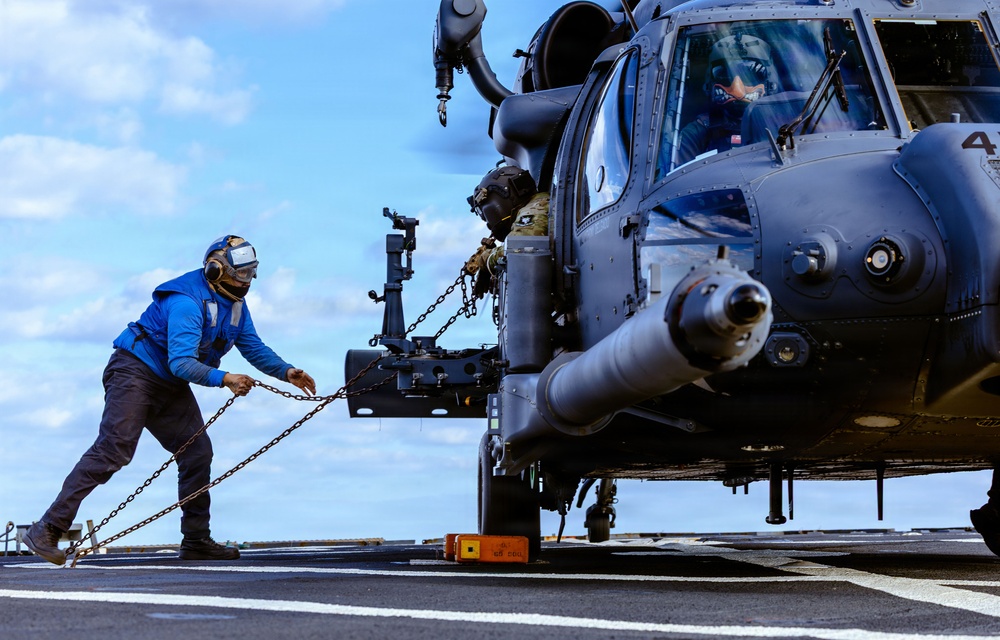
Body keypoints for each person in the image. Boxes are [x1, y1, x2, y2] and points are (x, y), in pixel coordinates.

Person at [23, 235, 317, 565]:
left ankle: (195, 541)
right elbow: (181, 362)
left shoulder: (234, 306)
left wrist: (286, 371)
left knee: (197, 452)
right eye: (240, 274)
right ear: (215, 270)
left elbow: (252, 346)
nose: (246, 281)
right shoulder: (186, 302)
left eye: (250, 273)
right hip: (135, 372)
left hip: (169, 382)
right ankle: (47, 528)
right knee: (114, 449)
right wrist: (225, 379)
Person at [676, 33, 777, 164]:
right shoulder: (697, 132)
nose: (737, 88)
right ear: (709, 83)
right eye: (723, 74)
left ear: (770, 84)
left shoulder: (784, 126)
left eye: (751, 74)